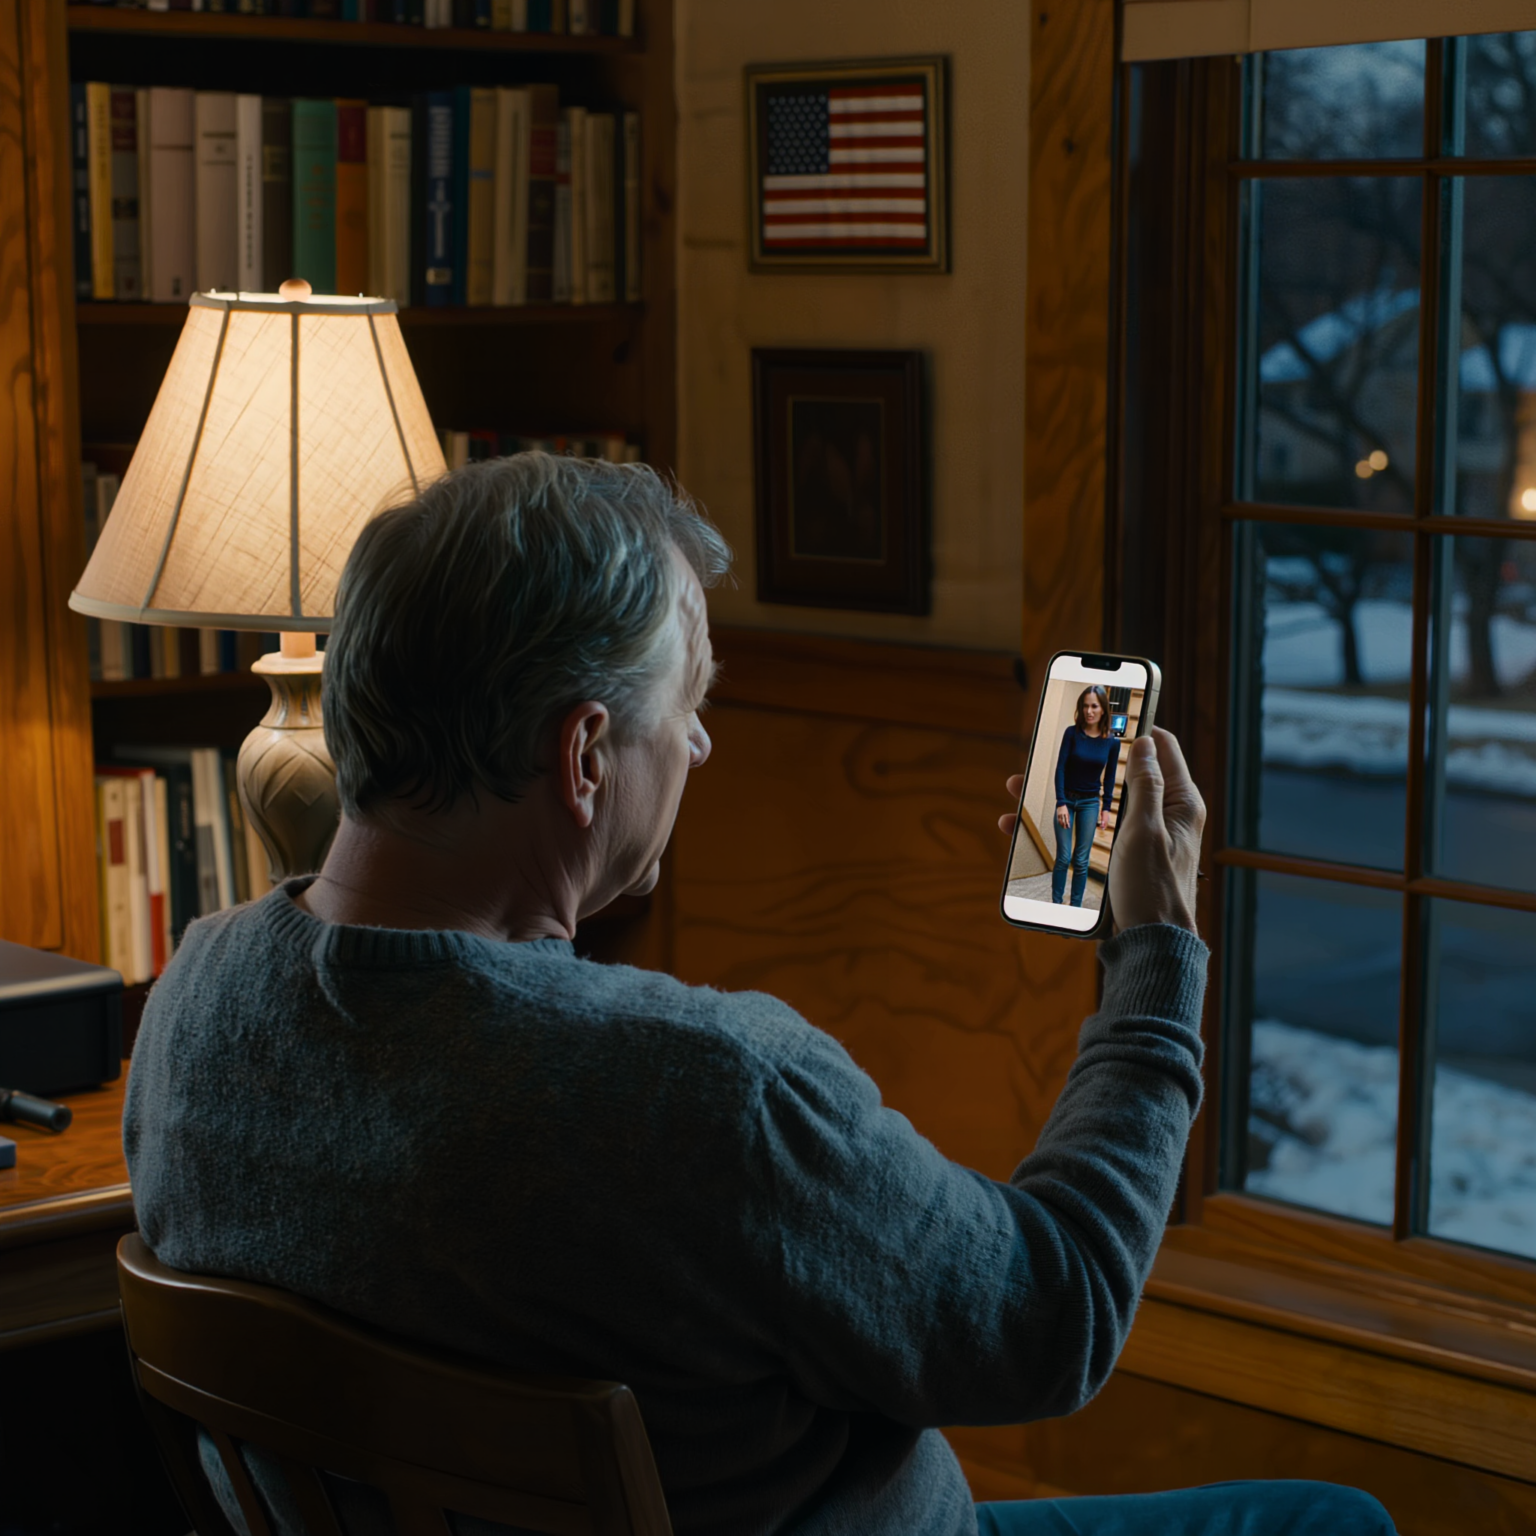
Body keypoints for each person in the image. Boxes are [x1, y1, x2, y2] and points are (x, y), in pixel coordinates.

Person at [124, 455, 1395, 1536]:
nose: (702, 746)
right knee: (1334, 1522)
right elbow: (1050, 1314)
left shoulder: (193, 1002)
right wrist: (1154, 949)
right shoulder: (705, 1098)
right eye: (687, 708)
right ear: (581, 755)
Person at [1052, 685, 1121, 908]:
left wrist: (1106, 809)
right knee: (1063, 857)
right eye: (1085, 706)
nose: (1088, 711)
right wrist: (1061, 802)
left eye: (1094, 706)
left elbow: (1109, 777)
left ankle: (1075, 908)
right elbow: (1060, 768)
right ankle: (1054, 905)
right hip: (1067, 801)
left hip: (1091, 802)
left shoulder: (1112, 742)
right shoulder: (1071, 733)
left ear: (1103, 710)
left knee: (1081, 861)